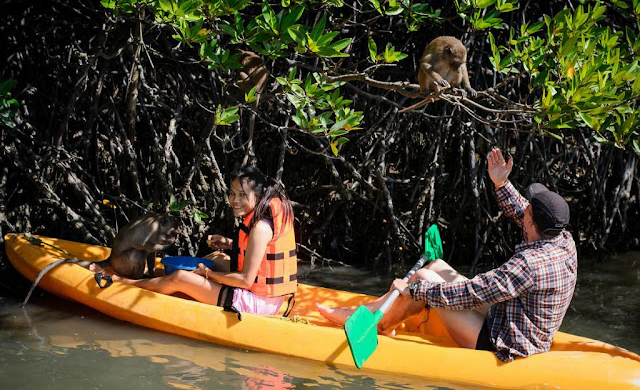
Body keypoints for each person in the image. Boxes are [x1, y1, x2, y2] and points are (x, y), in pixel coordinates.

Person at [317, 148, 576, 362]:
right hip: (514, 319)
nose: (525, 208)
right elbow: (524, 213)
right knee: (437, 264)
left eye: (530, 209)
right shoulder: (561, 238)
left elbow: (473, 293)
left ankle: (380, 323)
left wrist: (415, 291)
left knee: (424, 279)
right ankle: (374, 312)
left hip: (507, 344)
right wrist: (502, 183)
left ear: (533, 223)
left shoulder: (529, 265)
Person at [93, 166, 297, 316]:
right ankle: (168, 283)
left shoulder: (260, 227)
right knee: (214, 256)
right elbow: (259, 253)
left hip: (257, 304)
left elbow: (245, 280)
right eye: (232, 193)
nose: (235, 200)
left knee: (181, 276)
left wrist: (208, 274)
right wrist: (228, 243)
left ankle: (128, 282)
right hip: (265, 297)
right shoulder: (262, 218)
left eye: (242, 195)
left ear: (259, 195)